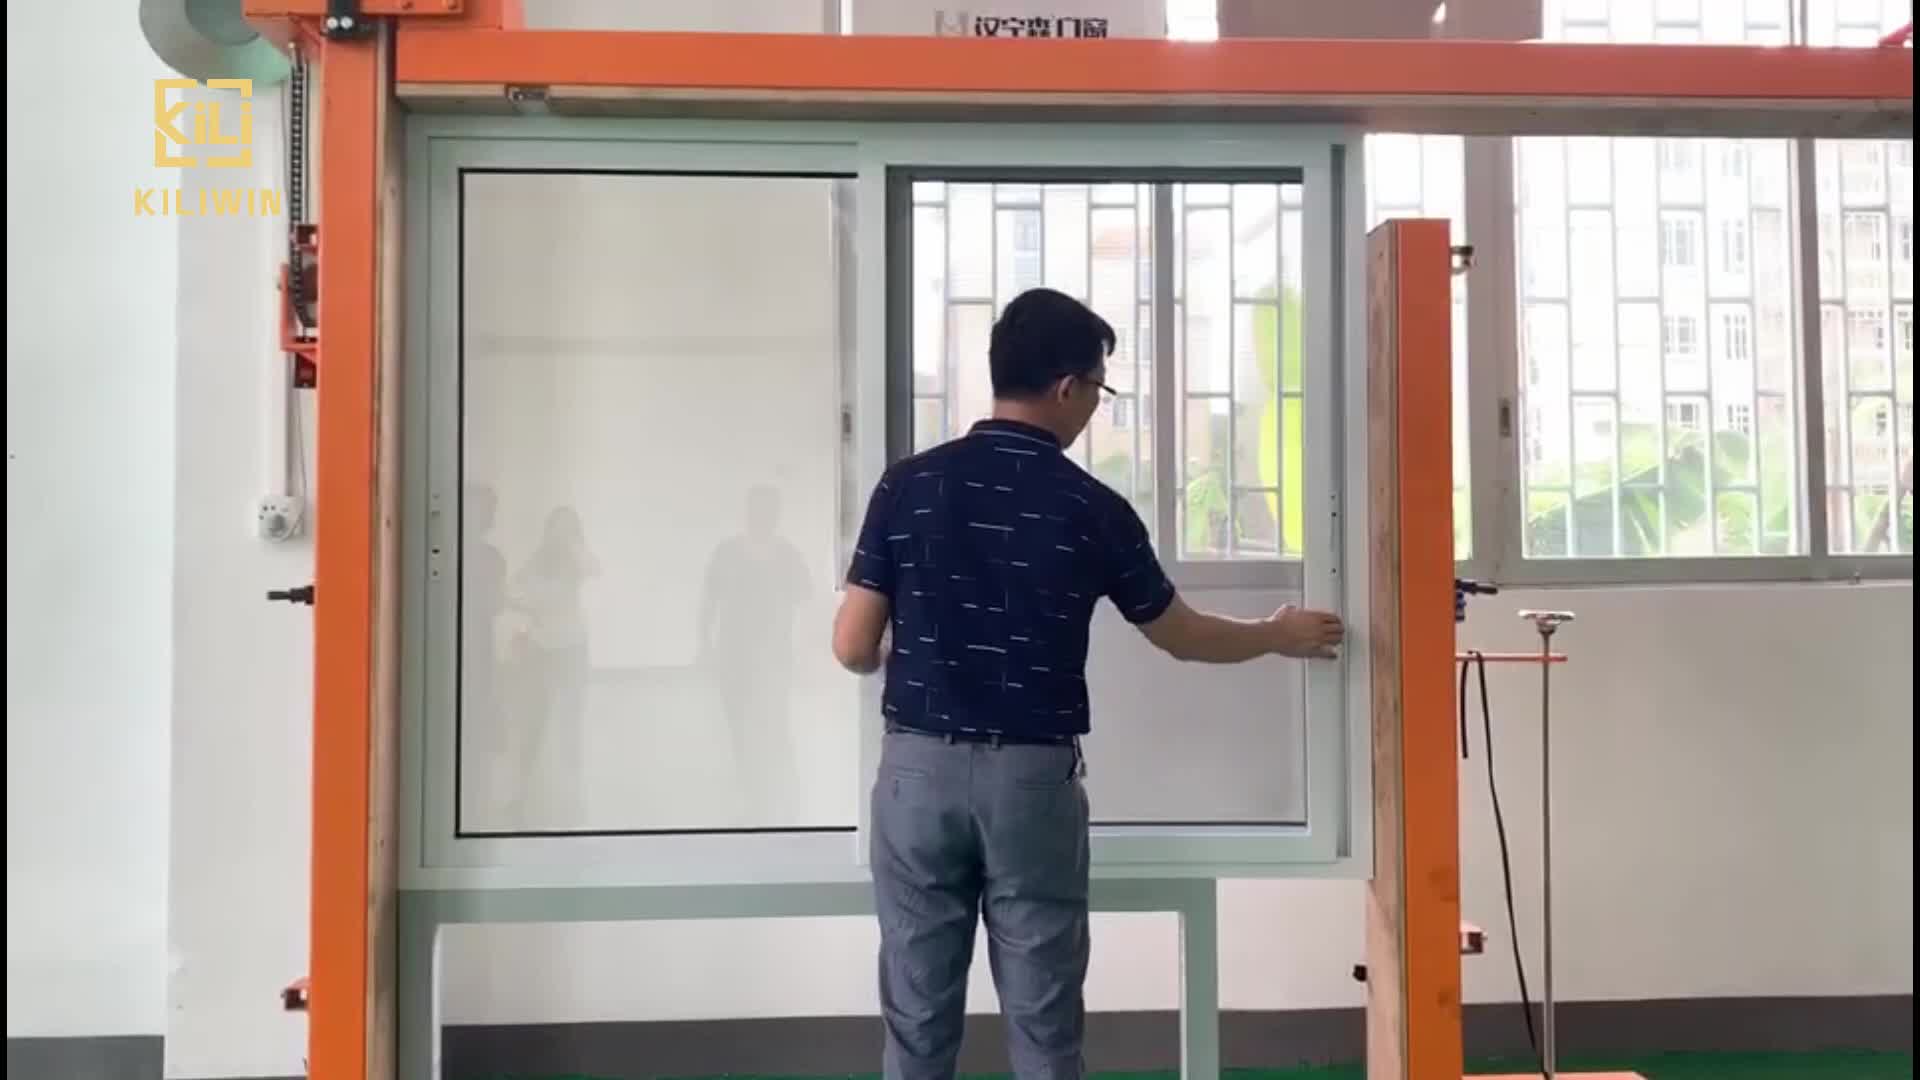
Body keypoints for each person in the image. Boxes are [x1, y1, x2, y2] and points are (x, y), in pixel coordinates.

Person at [831, 287, 1345, 1079]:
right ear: (1067, 387)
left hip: (917, 774)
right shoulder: (1089, 506)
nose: (1097, 406)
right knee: (1044, 1025)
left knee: (917, 1024)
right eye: (1101, 389)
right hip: (1031, 782)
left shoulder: (908, 486)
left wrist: (896, 654)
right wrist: (1277, 635)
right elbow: (1180, 634)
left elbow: (851, 645)